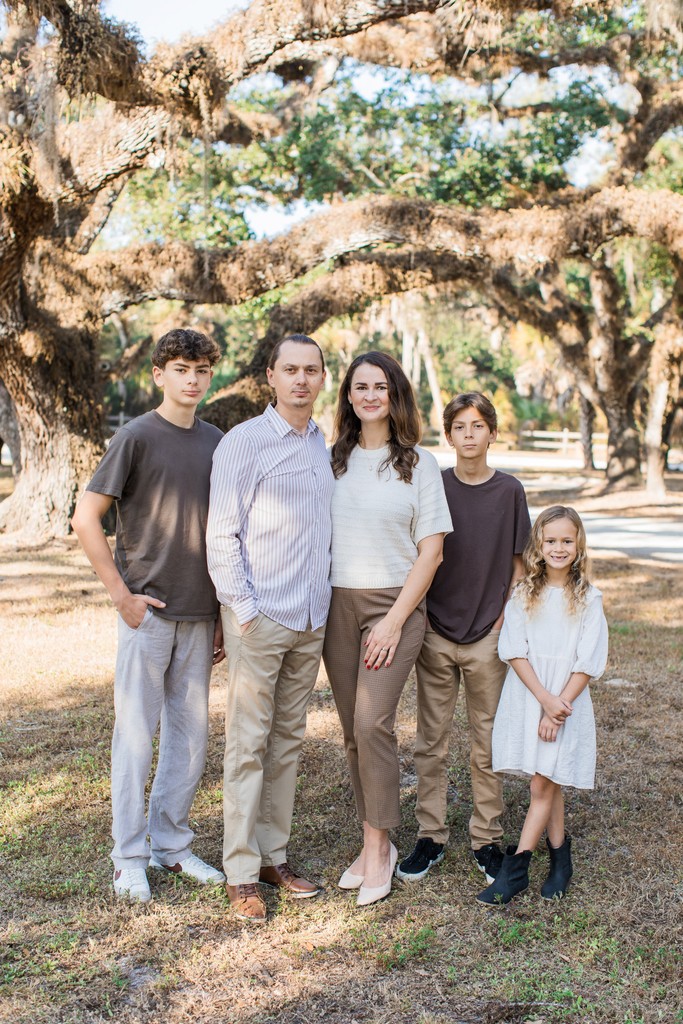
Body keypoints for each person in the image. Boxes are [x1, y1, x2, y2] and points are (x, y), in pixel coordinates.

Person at [71, 328, 226, 904]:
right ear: (158, 374)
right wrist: (120, 595)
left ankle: (172, 846)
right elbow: (87, 519)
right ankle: (128, 856)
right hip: (148, 614)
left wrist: (219, 613)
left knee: (189, 740)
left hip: (201, 613)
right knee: (136, 736)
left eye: (202, 369)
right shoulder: (135, 436)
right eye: (181, 368)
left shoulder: (216, 441)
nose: (192, 379)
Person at [206, 334, 334, 924]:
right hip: (261, 618)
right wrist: (245, 611)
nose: (301, 380)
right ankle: (239, 868)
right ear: (271, 377)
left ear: (322, 377)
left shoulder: (319, 442)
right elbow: (222, 535)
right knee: (248, 746)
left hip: (310, 619)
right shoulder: (245, 442)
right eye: (291, 370)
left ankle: (272, 856)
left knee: (287, 742)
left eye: (311, 370)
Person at [323, 351, 452, 908]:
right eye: (360, 387)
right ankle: (371, 839)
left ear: (395, 395)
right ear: (349, 397)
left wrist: (395, 620)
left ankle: (380, 848)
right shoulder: (330, 460)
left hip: (393, 606)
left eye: (381, 386)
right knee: (352, 730)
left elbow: (432, 551)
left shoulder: (418, 465)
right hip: (335, 606)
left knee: (373, 721)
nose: (370, 395)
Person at [397, 392, 531, 885]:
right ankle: (430, 836)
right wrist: (424, 617)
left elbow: (519, 566)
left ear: (492, 432)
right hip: (435, 630)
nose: (469, 434)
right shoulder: (434, 485)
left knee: (486, 740)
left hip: (487, 637)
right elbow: (419, 554)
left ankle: (487, 838)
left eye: (478, 425)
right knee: (430, 740)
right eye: (459, 426)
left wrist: (502, 624)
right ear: (448, 434)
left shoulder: (509, 492)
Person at [477, 505, 608, 905]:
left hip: (566, 701)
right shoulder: (524, 593)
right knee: (547, 777)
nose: (558, 548)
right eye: (551, 540)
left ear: (578, 544)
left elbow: (589, 660)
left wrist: (559, 705)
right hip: (533, 695)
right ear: (539, 544)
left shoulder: (589, 597)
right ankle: (560, 858)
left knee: (541, 783)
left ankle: (515, 871)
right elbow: (514, 649)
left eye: (567, 541)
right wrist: (544, 701)